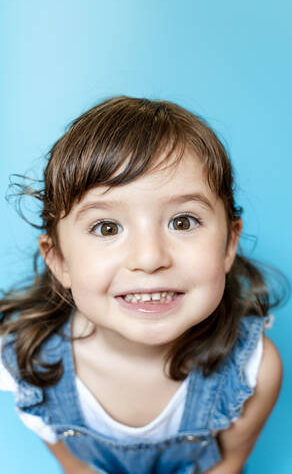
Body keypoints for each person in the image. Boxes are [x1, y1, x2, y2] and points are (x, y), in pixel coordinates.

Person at [0, 96, 283, 474]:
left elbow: (229, 464)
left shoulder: (253, 370)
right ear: (60, 261)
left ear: (229, 245)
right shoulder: (30, 364)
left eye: (182, 222)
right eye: (107, 228)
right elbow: (77, 469)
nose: (149, 259)